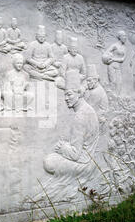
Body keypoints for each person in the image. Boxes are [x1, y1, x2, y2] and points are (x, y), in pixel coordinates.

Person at [36, 70, 100, 202]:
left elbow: (76, 155)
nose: (66, 98)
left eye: (69, 94)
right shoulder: (87, 110)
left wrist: (62, 148)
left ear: (79, 93)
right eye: (65, 95)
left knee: (49, 161)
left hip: (84, 163)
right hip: (89, 158)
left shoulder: (80, 116)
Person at [102, 30, 126, 96]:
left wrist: (113, 59)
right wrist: (109, 58)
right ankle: (112, 99)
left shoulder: (124, 47)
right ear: (120, 37)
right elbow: (105, 54)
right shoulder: (114, 46)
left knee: (120, 83)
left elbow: (123, 59)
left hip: (118, 67)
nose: (125, 37)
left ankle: (117, 98)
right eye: (123, 36)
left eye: (125, 36)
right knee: (113, 83)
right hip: (111, 66)